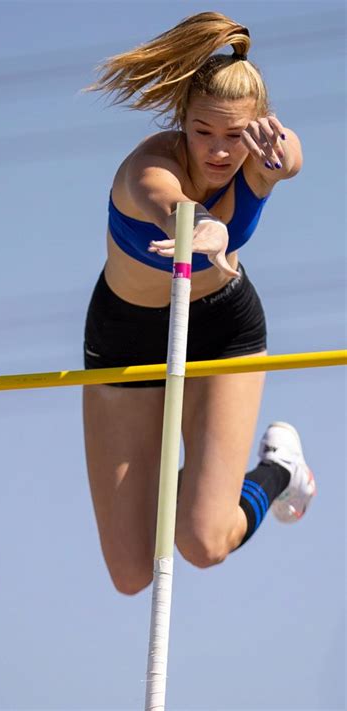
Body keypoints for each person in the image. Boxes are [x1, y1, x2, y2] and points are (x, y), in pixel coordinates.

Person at [81, 11, 316, 595]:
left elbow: (290, 157)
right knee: (131, 575)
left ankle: (280, 471)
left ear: (257, 128)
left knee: (203, 543)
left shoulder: (261, 161)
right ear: (181, 122)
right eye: (203, 132)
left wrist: (278, 157)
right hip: (124, 336)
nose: (217, 152)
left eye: (234, 136)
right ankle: (194, 481)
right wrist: (204, 225)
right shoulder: (148, 169)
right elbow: (171, 206)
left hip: (220, 325)